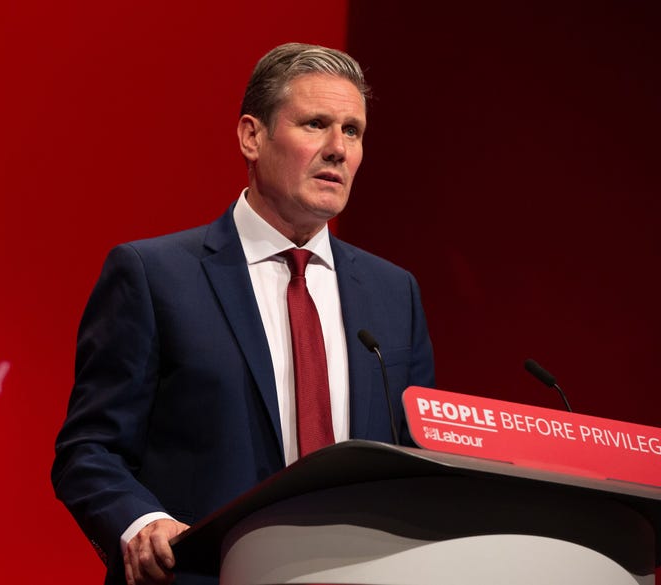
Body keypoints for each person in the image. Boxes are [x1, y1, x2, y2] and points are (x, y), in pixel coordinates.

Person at [52, 42, 435, 585]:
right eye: (316, 124)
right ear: (251, 136)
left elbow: (415, 464)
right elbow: (89, 450)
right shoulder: (153, 274)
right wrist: (142, 523)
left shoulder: (395, 294)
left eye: (353, 131)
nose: (338, 149)